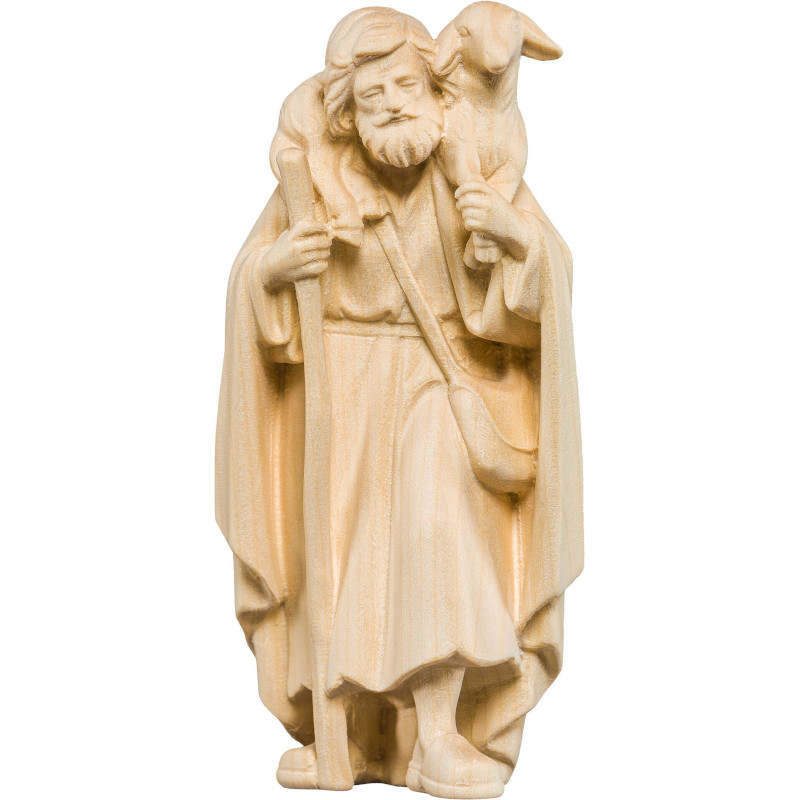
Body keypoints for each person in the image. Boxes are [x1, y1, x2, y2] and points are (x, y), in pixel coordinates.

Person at [215, 8, 582, 797]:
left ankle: (438, 734)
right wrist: (276, 269)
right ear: (346, 112)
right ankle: (342, 732)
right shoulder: (315, 181)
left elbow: (547, 278)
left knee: (432, 524)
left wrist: (513, 238)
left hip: (435, 380)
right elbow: (250, 278)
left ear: (436, 88)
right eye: (370, 95)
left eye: (405, 86)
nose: (391, 105)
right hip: (339, 388)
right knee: (334, 550)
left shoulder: (473, 171)